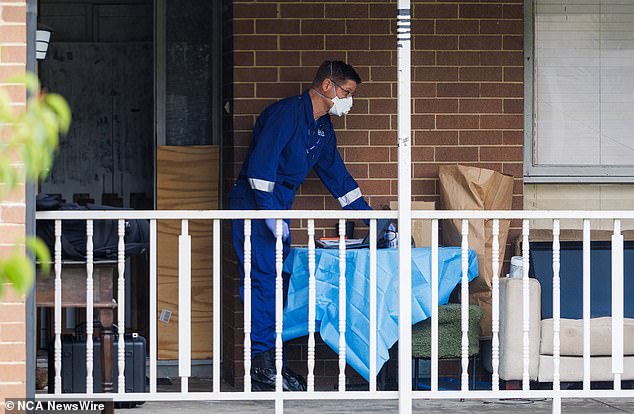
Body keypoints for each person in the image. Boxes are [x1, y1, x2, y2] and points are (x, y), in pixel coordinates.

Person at [229, 60, 377, 391]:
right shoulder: (285, 114)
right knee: (264, 282)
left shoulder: (323, 128)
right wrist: (267, 213)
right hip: (254, 205)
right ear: (327, 86)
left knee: (277, 282)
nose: (349, 100)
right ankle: (262, 366)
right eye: (347, 92)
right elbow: (260, 168)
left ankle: (270, 362)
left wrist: (374, 220)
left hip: (277, 208)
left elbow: (338, 179)